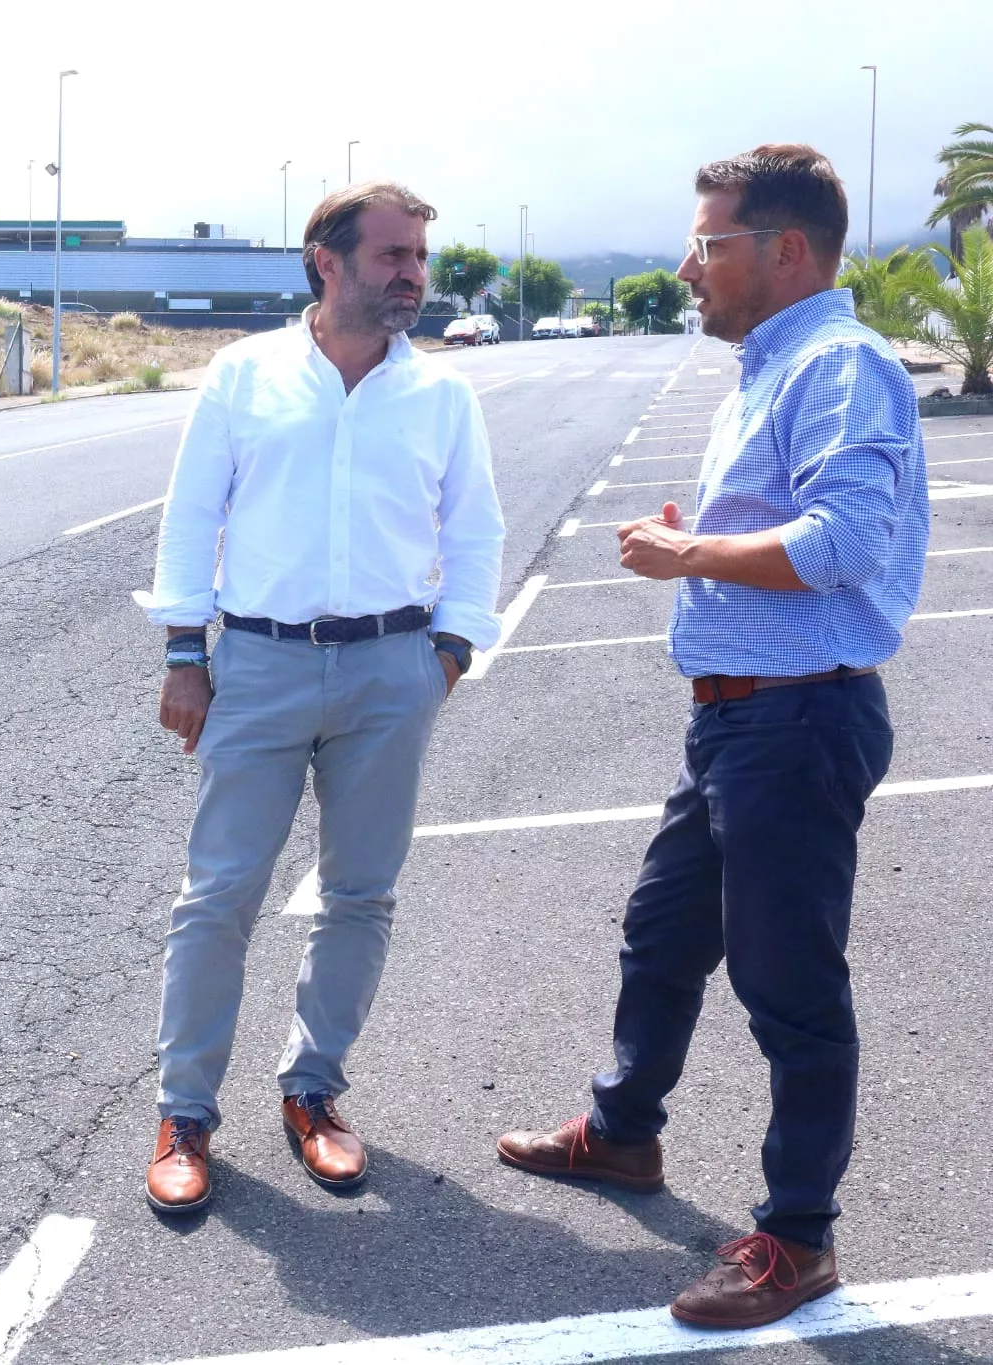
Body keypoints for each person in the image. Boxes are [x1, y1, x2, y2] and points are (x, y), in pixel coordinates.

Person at [497, 144, 928, 1329]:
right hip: (738, 719)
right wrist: (714, 535)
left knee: (789, 985)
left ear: (783, 250)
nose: (687, 266)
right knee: (662, 934)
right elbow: (790, 522)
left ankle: (797, 1238)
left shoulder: (837, 364)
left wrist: (687, 554)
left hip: (796, 721)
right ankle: (623, 1133)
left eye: (708, 243)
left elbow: (842, 542)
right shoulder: (775, 363)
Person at [138, 183, 505, 1213]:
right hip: (256, 665)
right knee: (217, 895)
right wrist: (181, 649)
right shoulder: (242, 375)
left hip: (392, 667)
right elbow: (190, 514)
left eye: (419, 257)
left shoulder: (439, 395)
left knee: (359, 896)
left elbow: (473, 532)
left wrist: (450, 654)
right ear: (326, 261)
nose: (411, 274)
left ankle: (312, 1092)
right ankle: (184, 1113)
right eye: (392, 253)